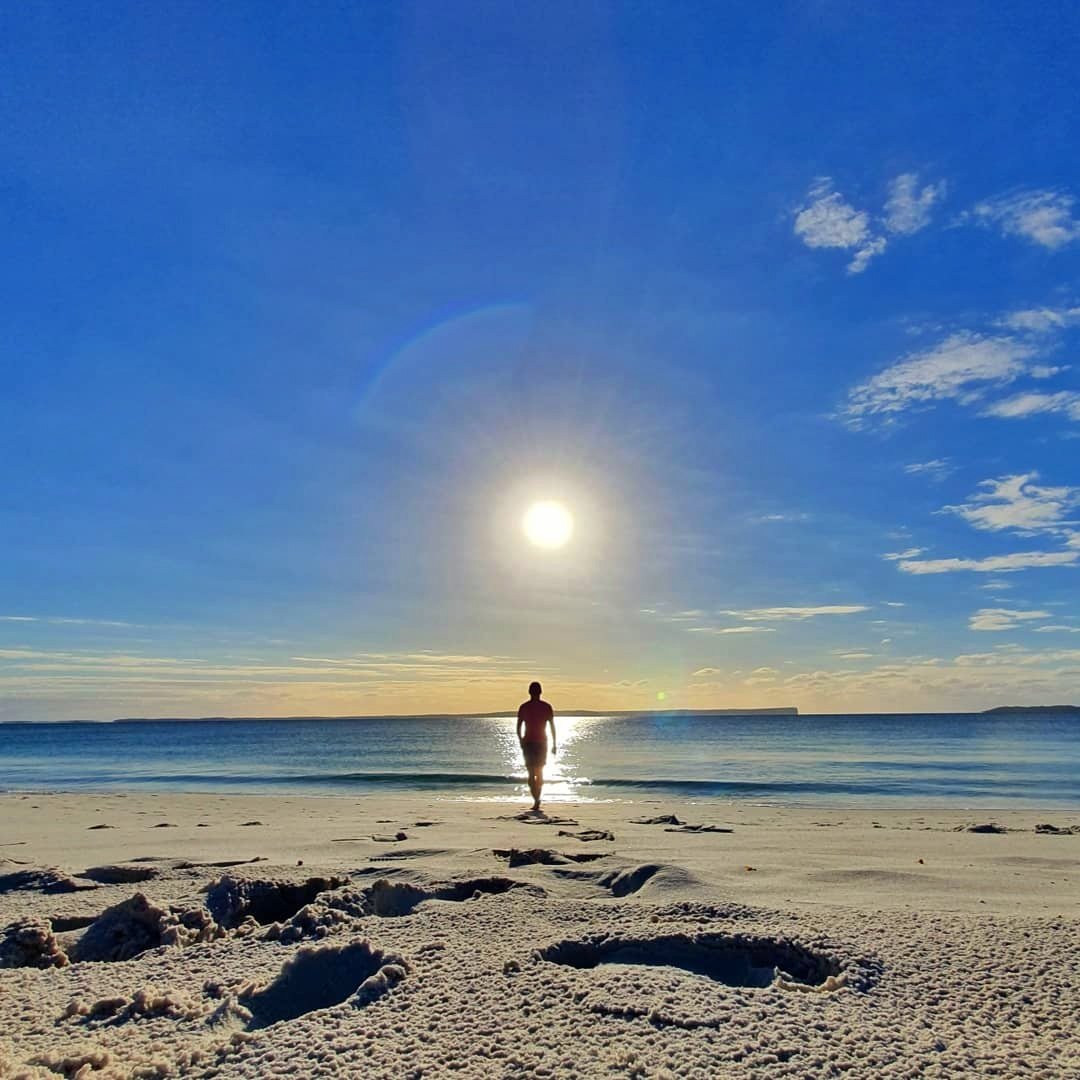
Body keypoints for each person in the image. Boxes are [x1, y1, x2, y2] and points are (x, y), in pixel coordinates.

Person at [517, 681, 556, 811]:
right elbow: (552, 727)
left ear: (529, 692)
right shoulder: (545, 707)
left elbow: (518, 727)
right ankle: (537, 798)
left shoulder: (525, 707)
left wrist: (521, 739)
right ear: (540, 692)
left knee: (532, 772)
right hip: (539, 743)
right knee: (538, 772)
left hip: (531, 742)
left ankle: (536, 799)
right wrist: (554, 744)